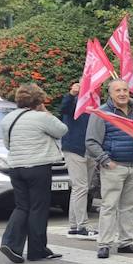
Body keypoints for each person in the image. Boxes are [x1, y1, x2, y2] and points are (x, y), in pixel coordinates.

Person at [0, 83, 68, 264]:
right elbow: (62, 130)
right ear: (39, 100)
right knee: (38, 208)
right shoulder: (41, 118)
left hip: (15, 167)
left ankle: (10, 243)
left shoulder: (8, 119)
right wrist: (46, 112)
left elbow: (8, 144)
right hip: (38, 167)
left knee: (22, 206)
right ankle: (37, 250)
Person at [84, 79, 133, 261]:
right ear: (110, 94)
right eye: (117, 90)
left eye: (125, 90)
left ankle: (125, 242)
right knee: (109, 206)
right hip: (114, 166)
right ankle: (104, 244)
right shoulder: (102, 113)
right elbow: (91, 141)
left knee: (129, 207)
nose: (122, 93)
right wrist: (106, 161)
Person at [57, 81, 94, 239]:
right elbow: (63, 109)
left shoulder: (95, 102)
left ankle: (74, 225)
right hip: (75, 148)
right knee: (81, 187)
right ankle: (82, 225)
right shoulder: (74, 102)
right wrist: (72, 94)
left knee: (80, 188)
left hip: (90, 149)